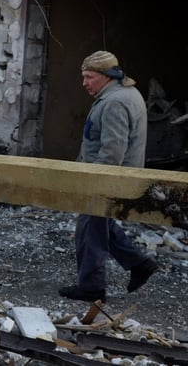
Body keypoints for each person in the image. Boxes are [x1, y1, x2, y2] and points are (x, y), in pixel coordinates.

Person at [58, 50, 158, 303]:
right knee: (99, 226)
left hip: (106, 180)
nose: (84, 83)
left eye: (89, 77)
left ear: (107, 76)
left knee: (90, 230)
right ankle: (139, 263)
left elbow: (113, 152)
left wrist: (96, 183)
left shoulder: (115, 102)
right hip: (111, 177)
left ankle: (91, 287)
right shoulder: (122, 95)